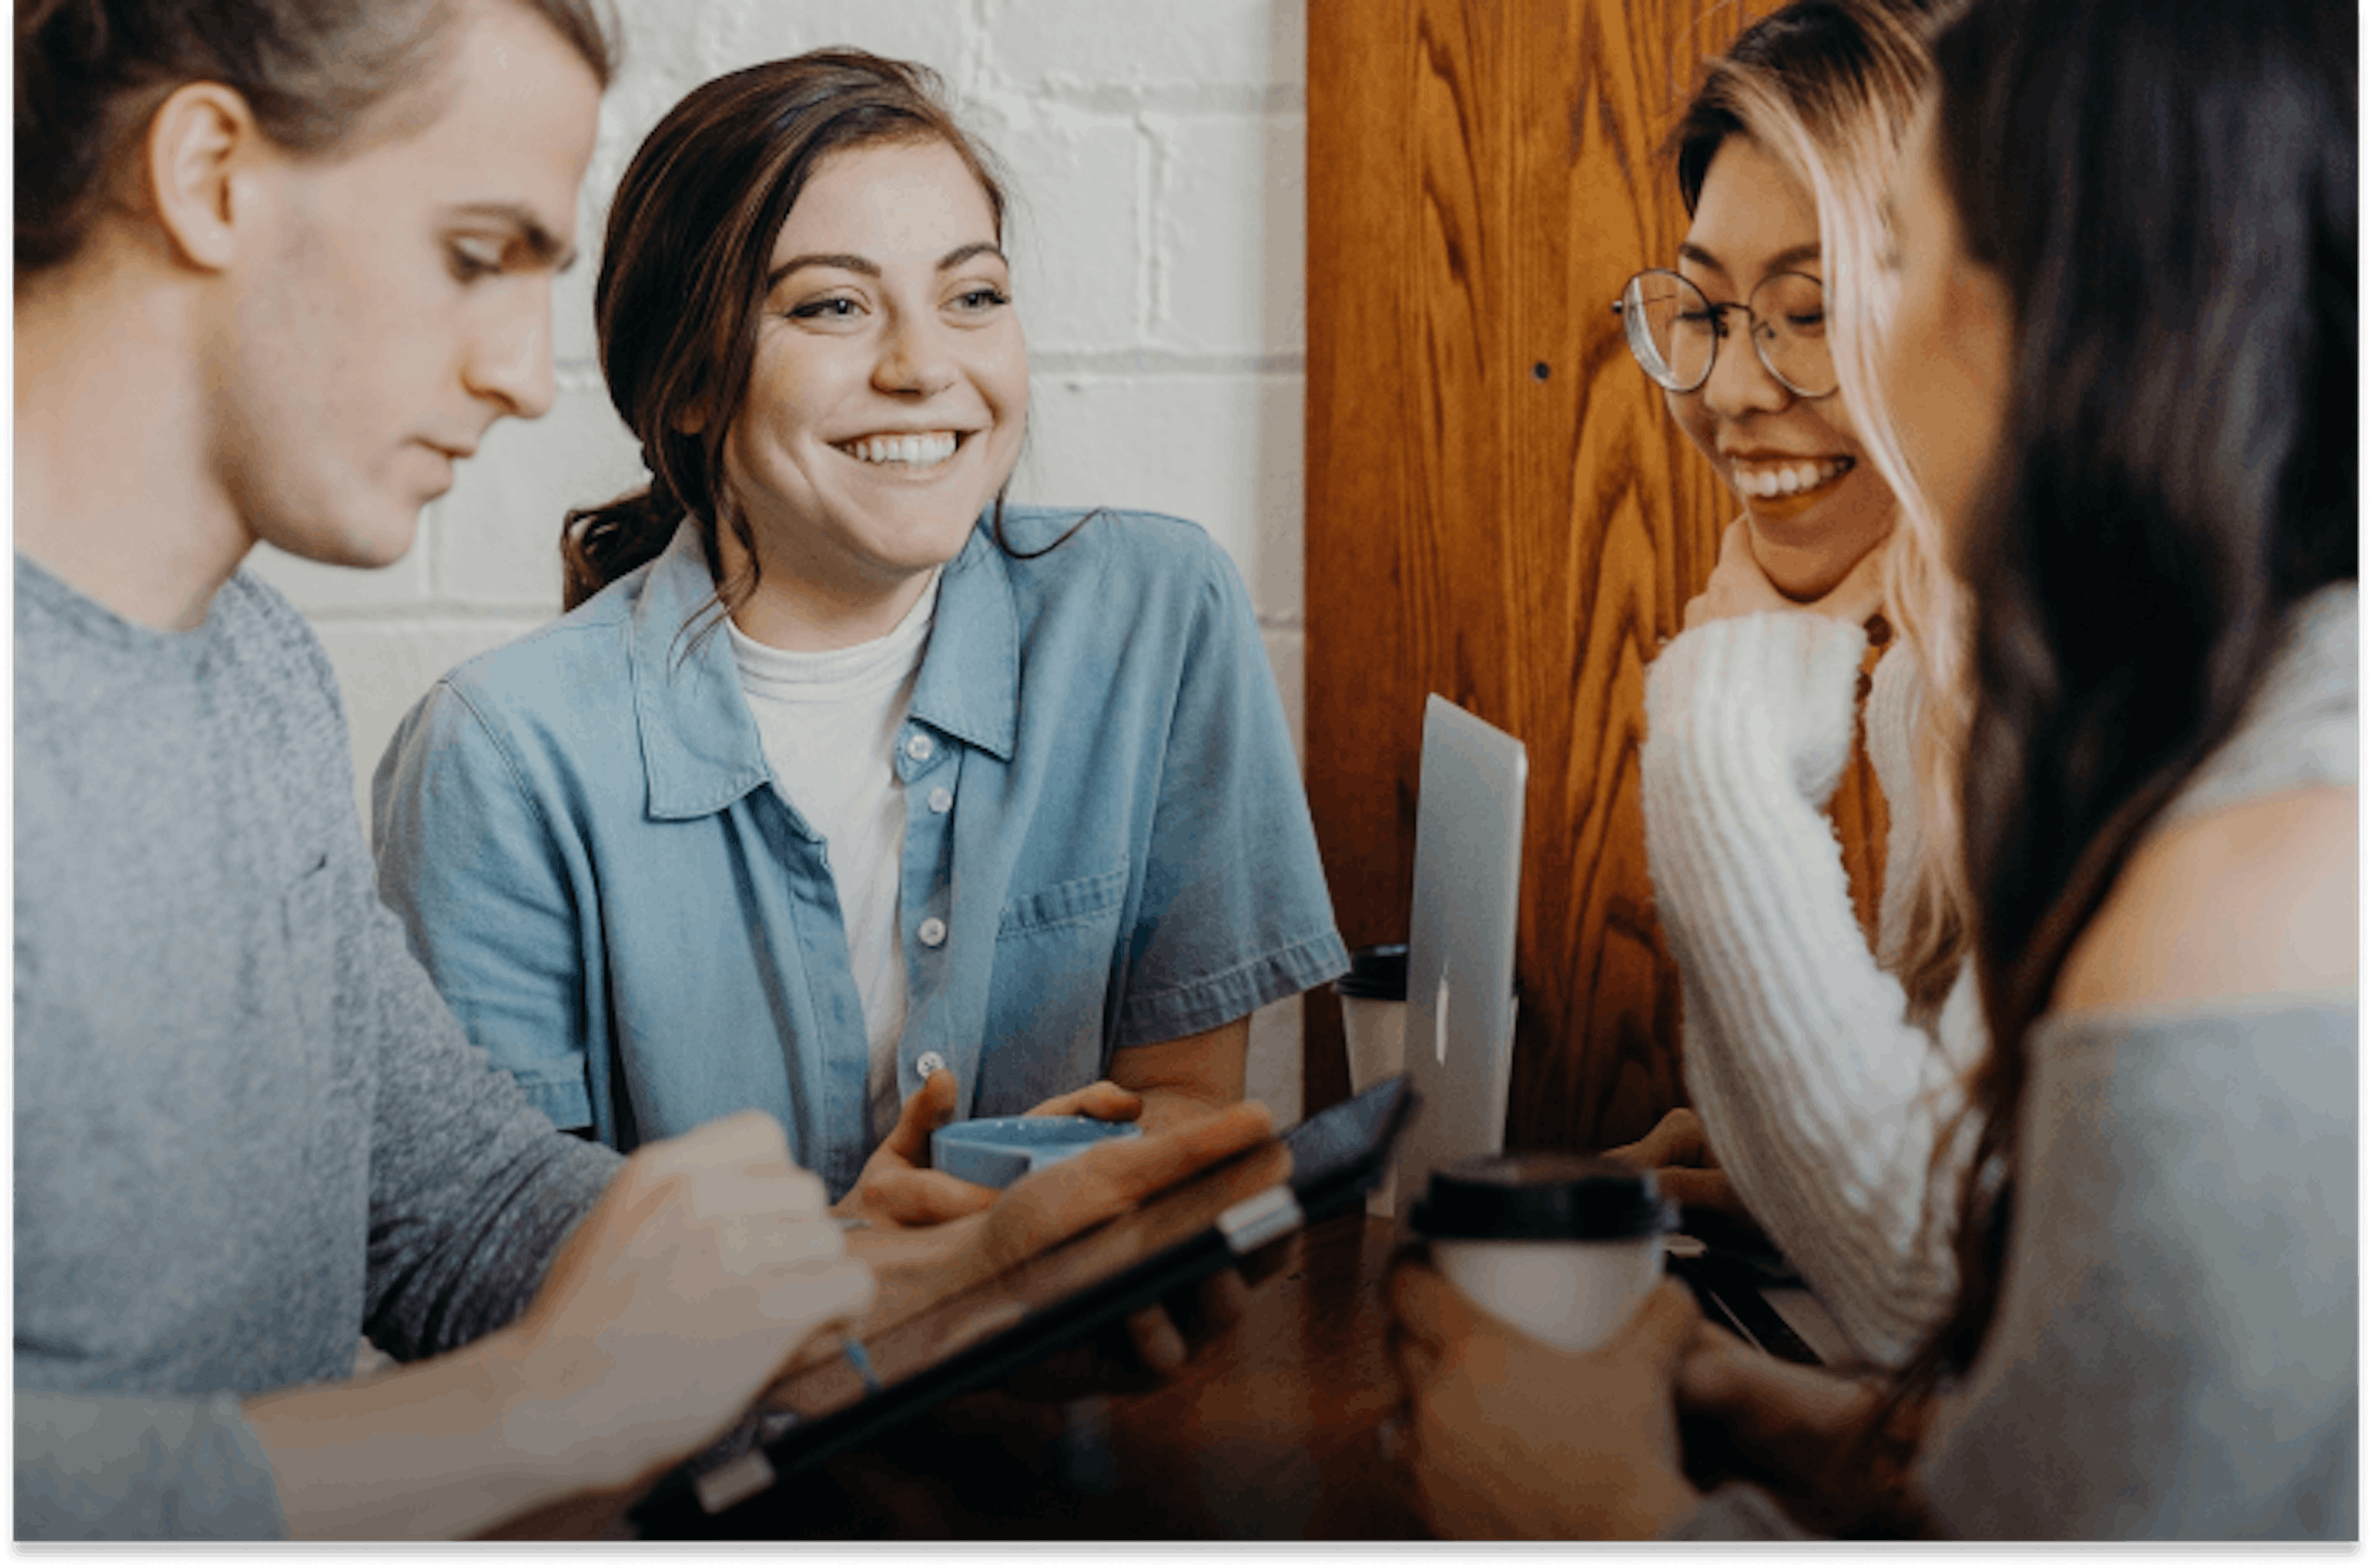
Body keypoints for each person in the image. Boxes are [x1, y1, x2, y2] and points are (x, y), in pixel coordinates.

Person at [8, 0, 1281, 1540]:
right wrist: (524, 1423)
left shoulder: (252, 677)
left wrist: (948, 1287)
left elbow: (460, 1213)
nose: (526, 378)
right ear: (210, 174)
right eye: (475, 252)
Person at [1390, 0, 2359, 1540]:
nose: (1742, 385)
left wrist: (1612, 1516)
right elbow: (2091, 1445)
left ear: (2072, 314)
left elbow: (1947, 1296)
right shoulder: (2225, 720)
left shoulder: (2254, 872)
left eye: (1877, 269)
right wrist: (1779, 1420)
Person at [369, 51, 1348, 1216]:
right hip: (712, 1401)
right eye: (832, 305)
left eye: (972, 296)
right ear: (684, 382)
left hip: (1072, 1379)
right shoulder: (499, 756)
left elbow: (1188, 1107)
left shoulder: (1156, 616)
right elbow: (496, 1257)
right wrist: (865, 1275)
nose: (924, 366)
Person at [1613, 0, 1979, 1365]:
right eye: (1705, 311)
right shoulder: (1934, 682)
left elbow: (1930, 1280)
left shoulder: (2063, 687)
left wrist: (1717, 736)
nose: (1730, 391)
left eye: (1808, 314)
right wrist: (1789, 1168)